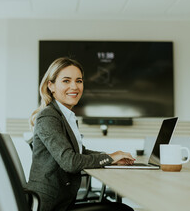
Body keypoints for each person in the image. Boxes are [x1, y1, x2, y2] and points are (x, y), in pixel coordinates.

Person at [26, 57, 135, 211]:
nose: (74, 87)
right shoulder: (48, 117)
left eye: (79, 81)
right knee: (122, 210)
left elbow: (80, 152)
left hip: (63, 201)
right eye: (66, 81)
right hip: (50, 206)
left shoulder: (64, 116)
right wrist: (109, 158)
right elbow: (70, 162)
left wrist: (112, 157)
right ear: (51, 86)